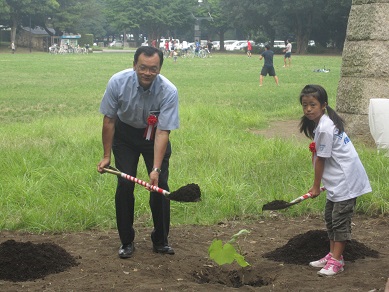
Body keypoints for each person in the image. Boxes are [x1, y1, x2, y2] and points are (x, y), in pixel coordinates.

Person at [97, 46, 180, 259]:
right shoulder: (117, 82)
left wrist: (155, 169)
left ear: (160, 68)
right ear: (135, 65)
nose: (147, 73)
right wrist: (107, 156)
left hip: (153, 136)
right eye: (143, 67)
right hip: (125, 136)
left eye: (153, 69)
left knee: (159, 185)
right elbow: (109, 120)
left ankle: (161, 240)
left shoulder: (169, 91)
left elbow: (163, 132)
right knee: (125, 184)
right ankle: (126, 241)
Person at [299, 84, 372, 276]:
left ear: (323, 105)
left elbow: (321, 159)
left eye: (312, 105)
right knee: (331, 218)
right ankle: (333, 254)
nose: (308, 109)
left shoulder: (325, 127)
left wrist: (315, 187)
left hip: (346, 182)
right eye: (305, 105)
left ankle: (337, 261)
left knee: (340, 220)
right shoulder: (323, 123)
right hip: (338, 180)